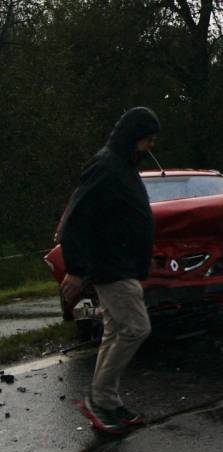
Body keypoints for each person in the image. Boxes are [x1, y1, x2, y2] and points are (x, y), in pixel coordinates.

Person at [60, 107, 160, 434]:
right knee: (136, 328)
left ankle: (108, 401)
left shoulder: (123, 166)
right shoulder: (105, 166)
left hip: (123, 265)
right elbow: (76, 219)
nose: (150, 147)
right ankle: (99, 401)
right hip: (110, 266)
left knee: (116, 331)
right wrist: (74, 270)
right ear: (133, 137)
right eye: (147, 140)